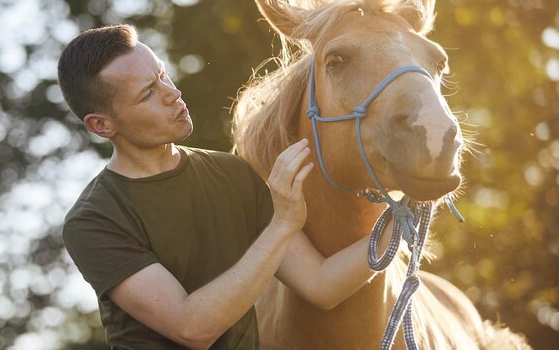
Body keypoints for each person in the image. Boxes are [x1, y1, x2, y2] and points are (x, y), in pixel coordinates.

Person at [58, 24, 394, 350]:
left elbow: (322, 285)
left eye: (163, 75)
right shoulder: (93, 220)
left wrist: (405, 219)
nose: (172, 93)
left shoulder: (232, 173)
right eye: (148, 93)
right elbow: (193, 328)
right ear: (101, 125)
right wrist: (283, 224)